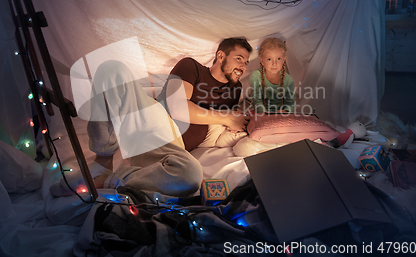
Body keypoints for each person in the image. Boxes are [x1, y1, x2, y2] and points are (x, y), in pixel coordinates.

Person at [50, 37, 252, 198]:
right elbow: (178, 108)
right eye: (239, 58)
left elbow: (232, 125)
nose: (243, 65)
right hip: (155, 116)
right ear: (220, 55)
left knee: (190, 177)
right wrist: (226, 118)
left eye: (247, 62)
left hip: (171, 147)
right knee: (111, 69)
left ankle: (109, 180)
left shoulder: (236, 90)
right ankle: (102, 160)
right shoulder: (192, 67)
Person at [249, 37, 295, 113]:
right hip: (261, 114)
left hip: (281, 116)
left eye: (279, 59)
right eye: (269, 59)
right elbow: (257, 100)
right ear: (262, 60)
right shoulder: (255, 76)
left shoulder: (288, 80)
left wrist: (286, 111)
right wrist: (265, 114)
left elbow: (290, 103)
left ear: (284, 59)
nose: (274, 63)